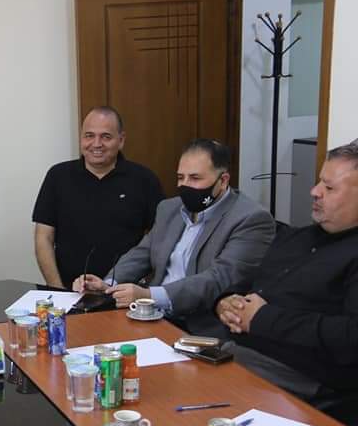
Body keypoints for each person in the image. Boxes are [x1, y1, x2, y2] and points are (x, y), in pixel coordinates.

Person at [75, 139, 275, 335]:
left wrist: (149, 295)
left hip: (201, 325)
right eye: (181, 177)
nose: (185, 185)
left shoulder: (250, 219)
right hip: (153, 315)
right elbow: (142, 253)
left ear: (223, 181)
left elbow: (219, 279)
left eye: (195, 178)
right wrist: (109, 284)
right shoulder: (169, 208)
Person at [216, 140, 358, 400]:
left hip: (299, 375)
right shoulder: (297, 237)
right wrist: (226, 302)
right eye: (319, 182)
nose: (314, 191)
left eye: (329, 188)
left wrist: (262, 318)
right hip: (235, 349)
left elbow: (350, 337)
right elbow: (252, 283)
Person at [33, 106, 164, 288]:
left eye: (106, 137)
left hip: (126, 292)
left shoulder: (144, 180)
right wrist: (57, 289)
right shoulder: (58, 176)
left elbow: (160, 239)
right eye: (89, 136)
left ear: (121, 140)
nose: (96, 144)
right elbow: (43, 237)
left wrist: (147, 286)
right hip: (69, 291)